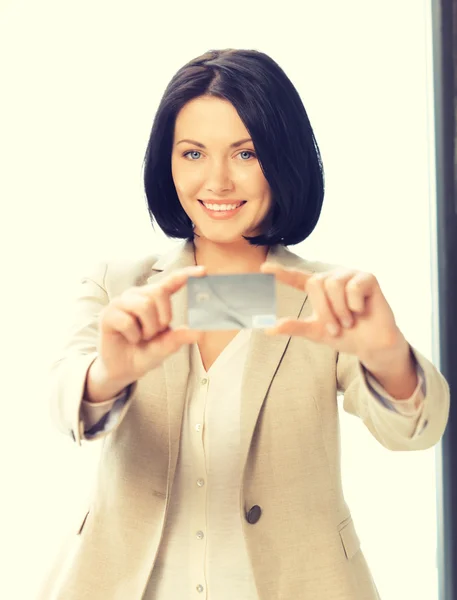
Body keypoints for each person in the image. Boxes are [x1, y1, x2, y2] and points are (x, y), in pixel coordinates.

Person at [41, 49, 450, 600]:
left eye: (246, 153)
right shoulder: (118, 284)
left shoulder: (329, 296)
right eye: (192, 153)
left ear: (282, 160)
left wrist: (387, 358)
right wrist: (107, 375)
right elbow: (66, 399)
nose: (217, 180)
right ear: (168, 162)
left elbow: (414, 431)